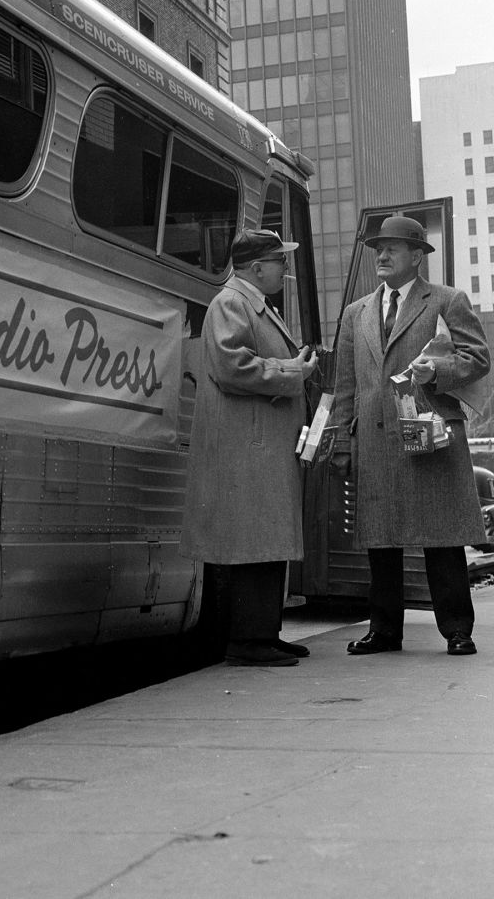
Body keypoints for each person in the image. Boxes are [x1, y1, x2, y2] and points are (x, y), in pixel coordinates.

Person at [331, 216, 489, 656]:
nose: (381, 256)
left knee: (442, 535)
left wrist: (437, 371)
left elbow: (477, 358)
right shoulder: (356, 312)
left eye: (392, 249)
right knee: (382, 538)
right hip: (378, 440)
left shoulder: (446, 300)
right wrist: (343, 441)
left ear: (417, 257)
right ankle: (384, 631)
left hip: (432, 436)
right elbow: (345, 384)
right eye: (378, 249)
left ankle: (457, 629)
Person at [181, 228, 318, 667]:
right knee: (255, 544)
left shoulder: (249, 303)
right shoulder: (231, 303)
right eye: (280, 260)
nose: (285, 268)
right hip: (249, 449)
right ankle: (248, 641)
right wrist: (293, 370)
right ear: (257, 268)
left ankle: (263, 634)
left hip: (257, 447)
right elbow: (231, 366)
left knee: (266, 542)